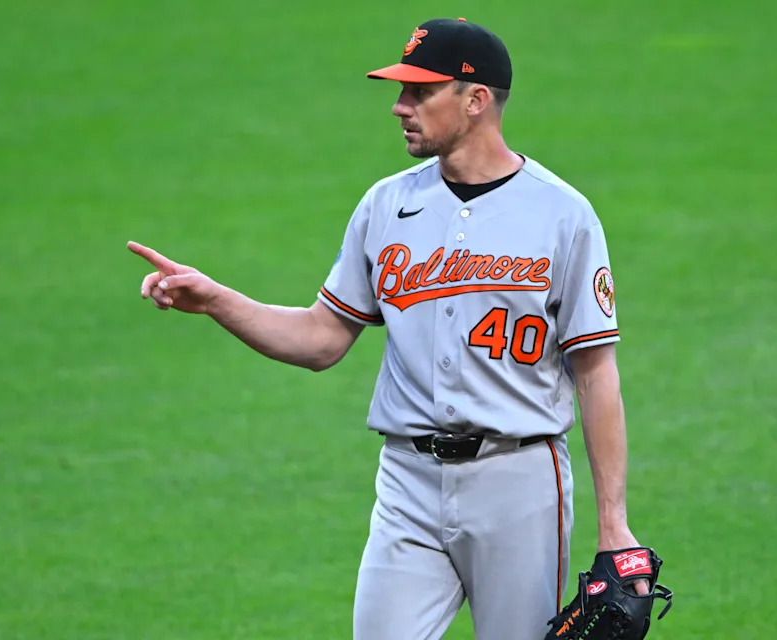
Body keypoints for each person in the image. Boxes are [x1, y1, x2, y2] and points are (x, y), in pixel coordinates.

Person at [128, 17, 647, 640]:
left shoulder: (564, 215)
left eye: (419, 92)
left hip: (521, 484)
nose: (400, 107)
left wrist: (613, 524)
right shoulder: (384, 205)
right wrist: (216, 300)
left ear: (475, 99)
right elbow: (321, 339)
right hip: (408, 482)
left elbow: (595, 373)